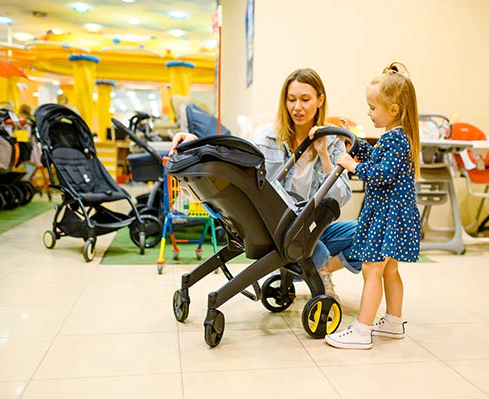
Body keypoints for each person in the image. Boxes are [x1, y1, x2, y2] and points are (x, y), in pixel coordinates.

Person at [169, 68, 362, 301]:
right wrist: (194, 142)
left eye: (305, 99)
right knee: (315, 251)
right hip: (278, 230)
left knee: (372, 230)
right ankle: (314, 266)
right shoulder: (267, 138)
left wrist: (324, 156)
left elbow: (340, 198)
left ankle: (324, 270)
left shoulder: (332, 143)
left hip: (311, 227)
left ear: (320, 100)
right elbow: (233, 157)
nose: (297, 107)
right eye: (291, 100)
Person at [324, 62, 421, 350]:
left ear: (393, 110)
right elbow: (378, 158)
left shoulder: (395, 139)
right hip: (393, 215)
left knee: (371, 269)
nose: (368, 112)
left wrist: (353, 165)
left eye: (372, 107)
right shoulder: (397, 137)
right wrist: (352, 142)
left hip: (386, 216)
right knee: (389, 270)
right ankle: (393, 321)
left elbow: (381, 174)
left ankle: (362, 330)